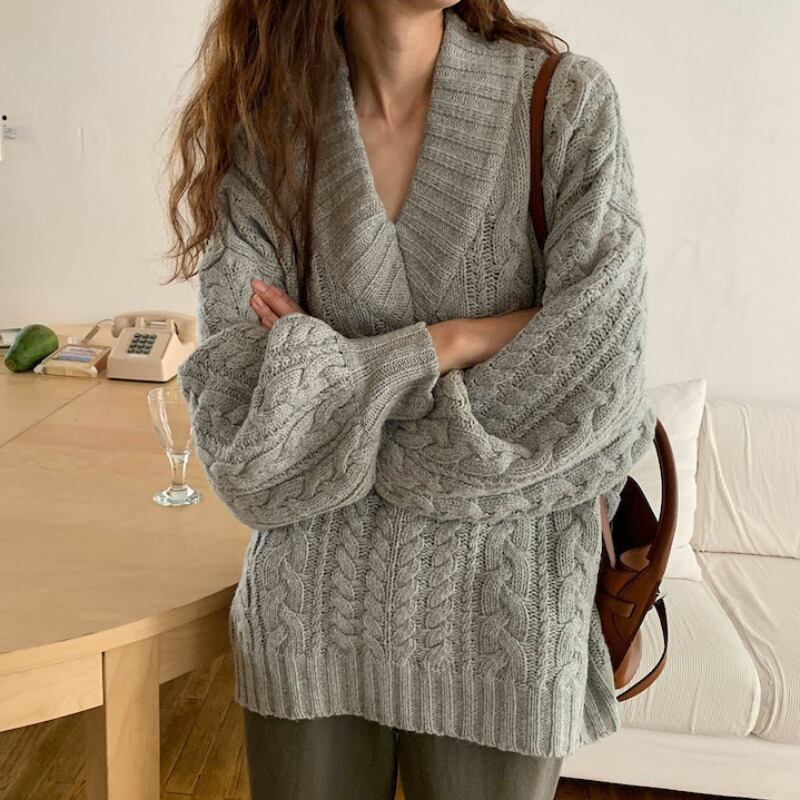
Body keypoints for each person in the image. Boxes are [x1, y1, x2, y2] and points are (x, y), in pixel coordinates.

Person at [163, 1, 657, 798]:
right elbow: (247, 437)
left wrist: (332, 383)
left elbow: (595, 380)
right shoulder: (270, 134)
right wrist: (448, 344)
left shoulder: (563, 105)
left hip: (502, 622)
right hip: (309, 617)